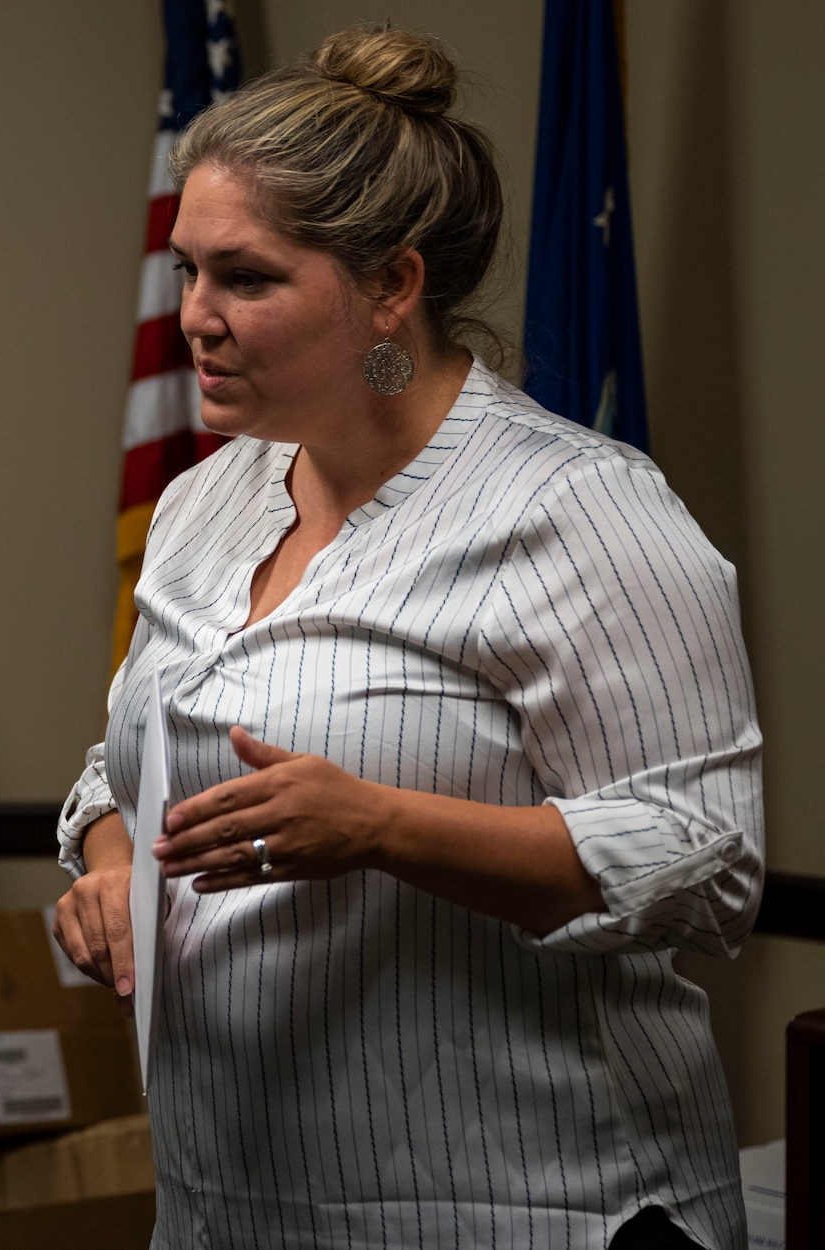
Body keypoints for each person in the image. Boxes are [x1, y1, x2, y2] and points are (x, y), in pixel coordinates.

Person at [50, 26, 760, 1250]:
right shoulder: (202, 501)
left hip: (533, 1204)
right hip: (230, 1204)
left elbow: (705, 858)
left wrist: (378, 825)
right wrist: (111, 865)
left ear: (391, 285)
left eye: (247, 278)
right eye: (185, 271)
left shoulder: (575, 509)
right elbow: (124, 759)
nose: (195, 320)